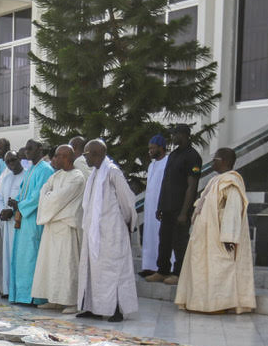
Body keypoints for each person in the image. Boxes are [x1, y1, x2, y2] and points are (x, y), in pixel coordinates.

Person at [175, 148, 255, 314]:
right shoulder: (215, 180)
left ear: (223, 161)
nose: (212, 163)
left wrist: (229, 237)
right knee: (202, 270)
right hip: (204, 235)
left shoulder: (231, 182)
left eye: (215, 159)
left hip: (219, 236)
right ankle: (200, 303)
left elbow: (233, 211)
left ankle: (219, 305)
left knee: (218, 270)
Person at [75, 140, 138, 322]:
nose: (84, 158)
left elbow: (127, 201)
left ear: (95, 153)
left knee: (113, 271)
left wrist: (127, 222)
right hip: (94, 231)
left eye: (86, 154)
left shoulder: (112, 172)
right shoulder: (95, 173)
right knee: (93, 270)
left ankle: (116, 309)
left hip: (111, 231)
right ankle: (93, 308)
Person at [32, 145, 86, 311]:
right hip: (52, 226)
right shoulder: (56, 176)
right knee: (51, 265)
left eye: (57, 156)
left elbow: (58, 198)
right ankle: (54, 299)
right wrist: (49, 196)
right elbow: (44, 193)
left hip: (66, 227)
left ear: (66, 157)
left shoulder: (77, 177)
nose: (54, 159)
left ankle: (71, 301)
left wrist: (49, 196)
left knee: (66, 265)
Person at [151, 125, 202, 285]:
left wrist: (184, 212)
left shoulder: (193, 156)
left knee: (179, 242)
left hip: (180, 208)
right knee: (164, 240)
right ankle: (162, 270)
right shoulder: (173, 155)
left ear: (183, 135)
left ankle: (179, 273)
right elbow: (166, 181)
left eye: (175, 134)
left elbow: (192, 186)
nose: (172, 138)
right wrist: (160, 205)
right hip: (167, 206)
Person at [8, 140, 54, 305]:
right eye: (26, 149)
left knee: (31, 257)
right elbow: (23, 191)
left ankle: (33, 297)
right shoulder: (30, 169)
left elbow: (38, 196)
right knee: (21, 257)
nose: (27, 151)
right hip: (23, 219)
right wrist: (15, 201)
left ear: (40, 149)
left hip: (33, 220)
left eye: (30, 148)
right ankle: (21, 295)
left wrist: (20, 205)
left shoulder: (46, 170)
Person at [0, 151, 24, 297]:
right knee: (7, 256)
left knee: (19, 256)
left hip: (20, 223)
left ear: (19, 158)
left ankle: (19, 291)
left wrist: (13, 211)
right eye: (8, 162)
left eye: (13, 159)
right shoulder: (5, 178)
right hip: (7, 224)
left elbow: (25, 199)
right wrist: (3, 210)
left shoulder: (26, 176)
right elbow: (0, 197)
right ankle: (8, 290)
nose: (11, 163)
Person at [140, 134, 168, 278]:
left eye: (153, 148)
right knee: (149, 236)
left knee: (160, 237)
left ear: (161, 148)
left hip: (161, 206)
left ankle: (161, 267)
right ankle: (149, 266)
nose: (150, 151)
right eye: (149, 148)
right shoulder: (152, 165)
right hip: (150, 207)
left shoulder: (168, 162)